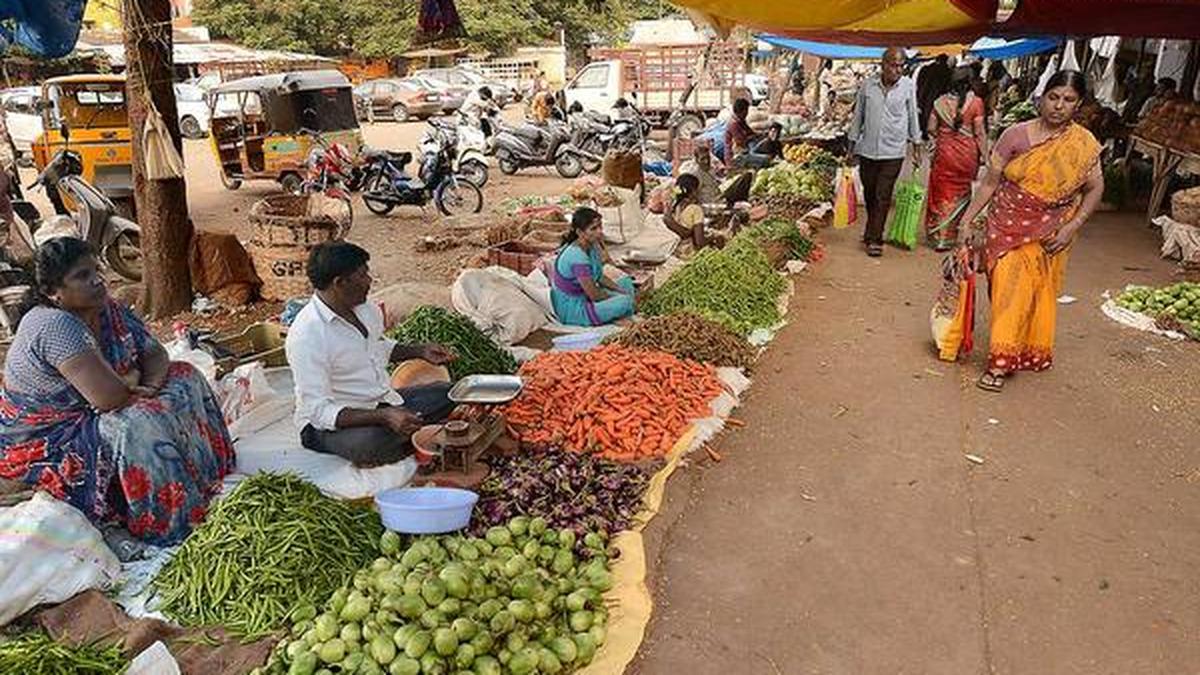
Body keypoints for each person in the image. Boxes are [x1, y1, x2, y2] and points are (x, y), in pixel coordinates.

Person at [0, 238, 234, 544]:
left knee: (186, 376)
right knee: (136, 423)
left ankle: (207, 476)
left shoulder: (105, 308)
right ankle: (168, 522)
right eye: (82, 276)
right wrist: (132, 381)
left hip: (106, 401)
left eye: (96, 270)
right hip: (50, 437)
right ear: (53, 291)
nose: (97, 280)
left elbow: (155, 353)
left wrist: (148, 385)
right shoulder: (53, 325)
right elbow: (109, 398)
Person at [956, 70, 1104, 393]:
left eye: (1068, 100)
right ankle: (1009, 345)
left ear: (1078, 105)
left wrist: (1072, 226)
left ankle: (1001, 361)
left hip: (1050, 230)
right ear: (1041, 97)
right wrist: (967, 220)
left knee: (1024, 291)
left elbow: (1095, 188)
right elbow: (990, 183)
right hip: (1004, 225)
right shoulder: (1014, 135)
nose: (1059, 106)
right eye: (1053, 97)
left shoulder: (1083, 144)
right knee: (1004, 290)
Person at [285, 242, 457, 466]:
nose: (370, 281)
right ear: (340, 283)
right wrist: (384, 417)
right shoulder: (307, 336)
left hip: (381, 402)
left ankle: (411, 433)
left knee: (451, 393)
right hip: (330, 425)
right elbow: (318, 411)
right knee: (372, 444)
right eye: (362, 275)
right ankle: (413, 435)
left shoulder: (366, 309)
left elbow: (377, 348)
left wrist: (420, 351)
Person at [847, 47, 924, 257]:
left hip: (894, 151)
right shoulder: (867, 85)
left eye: (901, 66)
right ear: (883, 65)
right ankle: (872, 228)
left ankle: (875, 238)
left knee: (883, 194)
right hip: (868, 150)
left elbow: (912, 116)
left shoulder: (908, 86)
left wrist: (916, 145)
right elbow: (858, 117)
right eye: (893, 65)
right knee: (870, 192)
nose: (898, 70)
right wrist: (851, 146)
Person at [925, 67, 989, 251]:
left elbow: (931, 128)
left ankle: (939, 237)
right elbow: (980, 133)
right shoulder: (976, 103)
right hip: (967, 156)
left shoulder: (939, 102)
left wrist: (944, 133)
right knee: (962, 193)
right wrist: (986, 157)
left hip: (945, 155)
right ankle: (954, 235)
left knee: (942, 193)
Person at [548, 208, 636, 326]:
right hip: (573, 310)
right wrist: (617, 297)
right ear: (580, 232)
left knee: (626, 282)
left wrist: (620, 290)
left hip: (585, 296)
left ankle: (618, 312)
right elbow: (594, 295)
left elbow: (599, 276)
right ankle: (618, 314)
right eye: (593, 229)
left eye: (600, 226)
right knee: (625, 301)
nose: (599, 231)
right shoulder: (577, 257)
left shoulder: (591, 246)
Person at [662, 174, 707, 248]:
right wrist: (713, 238)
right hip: (687, 250)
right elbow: (699, 242)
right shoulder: (696, 209)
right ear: (693, 191)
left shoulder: (674, 205)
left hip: (672, 248)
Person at [916, 54, 952, 138]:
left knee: (925, 111)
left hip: (925, 93)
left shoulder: (925, 68)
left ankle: (924, 131)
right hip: (937, 94)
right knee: (933, 112)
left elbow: (919, 82)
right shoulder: (946, 71)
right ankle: (930, 131)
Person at [723, 98, 758, 168]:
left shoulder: (742, 122)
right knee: (765, 160)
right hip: (735, 157)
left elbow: (750, 132)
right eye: (746, 111)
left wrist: (760, 135)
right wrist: (752, 137)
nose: (747, 114)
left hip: (743, 153)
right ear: (741, 111)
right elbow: (741, 141)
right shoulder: (733, 124)